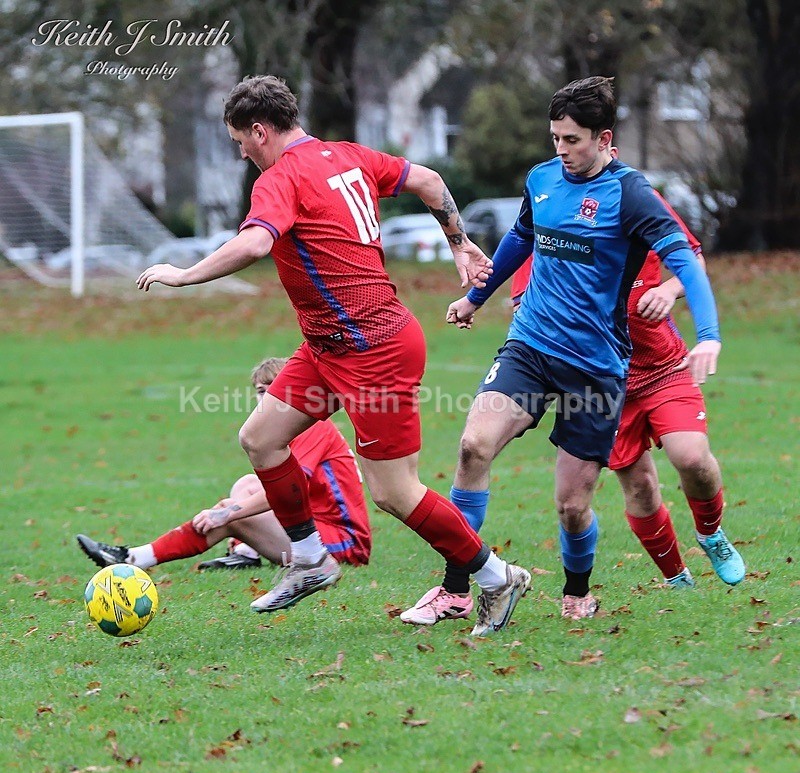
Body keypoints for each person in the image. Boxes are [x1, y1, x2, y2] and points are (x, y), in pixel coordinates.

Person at [135, 75, 530, 633]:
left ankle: (496, 577)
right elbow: (429, 179)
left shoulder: (282, 176)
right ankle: (311, 558)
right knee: (260, 439)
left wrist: (184, 274)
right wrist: (458, 239)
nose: (241, 151)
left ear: (259, 129)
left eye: (239, 140)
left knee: (394, 491)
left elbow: (254, 242)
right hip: (328, 347)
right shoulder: (348, 156)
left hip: (374, 348)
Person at [439, 76, 722, 622]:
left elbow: (685, 259)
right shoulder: (542, 178)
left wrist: (708, 334)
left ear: (604, 138)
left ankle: (577, 593)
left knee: (572, 506)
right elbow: (522, 237)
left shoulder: (631, 194)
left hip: (594, 367)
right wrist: (476, 296)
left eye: (573, 140)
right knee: (473, 447)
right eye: (555, 139)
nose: (562, 151)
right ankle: (456, 588)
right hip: (530, 347)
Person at [509, 186, 745, 588]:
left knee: (691, 457)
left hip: (663, 367)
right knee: (639, 487)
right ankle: (678, 579)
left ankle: (710, 533)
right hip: (602, 383)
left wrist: (668, 290)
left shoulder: (637, 205)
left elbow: (692, 260)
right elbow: (522, 306)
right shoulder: (547, 234)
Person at [76, 357, 372, 581]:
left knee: (232, 513)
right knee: (247, 484)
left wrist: (228, 513)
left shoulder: (311, 426)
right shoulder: (286, 427)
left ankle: (132, 558)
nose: (267, 398)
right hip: (315, 527)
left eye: (276, 390)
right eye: (261, 391)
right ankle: (246, 554)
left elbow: (287, 493)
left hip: (343, 544)